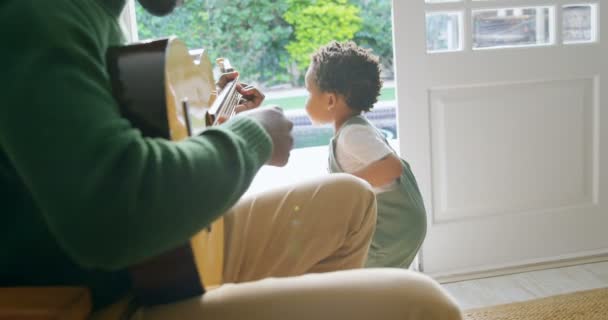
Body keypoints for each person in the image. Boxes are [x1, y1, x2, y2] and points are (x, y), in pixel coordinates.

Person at [0, 1, 462, 319]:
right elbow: (114, 215)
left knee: (351, 199)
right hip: (106, 295)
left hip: (155, 259)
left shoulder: (91, 13)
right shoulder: (35, 18)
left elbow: (130, 146)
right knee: (422, 304)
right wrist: (253, 134)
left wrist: (219, 123)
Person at [304, 41, 427, 269]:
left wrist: (344, 185)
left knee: (365, 281)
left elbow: (392, 167)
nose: (306, 102)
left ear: (330, 100)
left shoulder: (353, 135)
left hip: (391, 231)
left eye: (309, 93)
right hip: (398, 224)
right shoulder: (354, 129)